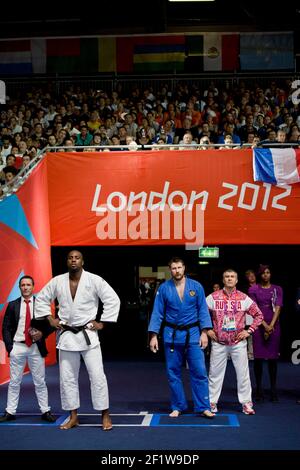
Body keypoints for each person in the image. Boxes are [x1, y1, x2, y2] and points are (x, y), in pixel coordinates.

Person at [34, 250, 120, 430]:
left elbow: (112, 299)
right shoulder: (58, 281)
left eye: (77, 258)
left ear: (83, 261)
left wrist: (103, 323)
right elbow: (41, 298)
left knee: (97, 376)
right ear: (67, 261)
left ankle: (105, 415)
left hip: (88, 335)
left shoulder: (94, 280)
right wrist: (50, 318)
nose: (74, 260)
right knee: (67, 378)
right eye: (70, 258)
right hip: (66, 336)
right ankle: (73, 416)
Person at [148, 257, 214, 418]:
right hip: (171, 334)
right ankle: (178, 406)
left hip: (193, 333)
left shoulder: (196, 287)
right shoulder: (164, 288)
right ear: (170, 270)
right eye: (173, 268)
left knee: (199, 371)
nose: (177, 271)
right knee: (173, 372)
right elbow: (157, 313)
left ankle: (203, 406)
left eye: (179, 267)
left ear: (184, 268)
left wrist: (204, 332)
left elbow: (203, 310)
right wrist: (153, 336)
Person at [206, 269, 263, 415]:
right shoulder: (213, 297)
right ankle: (212, 402)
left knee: (243, 374)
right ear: (223, 279)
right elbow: (200, 312)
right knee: (214, 374)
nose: (229, 279)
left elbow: (259, 315)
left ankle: (246, 403)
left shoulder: (244, 298)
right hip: (219, 342)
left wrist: (248, 331)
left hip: (238, 343)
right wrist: (207, 330)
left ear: (236, 280)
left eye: (232, 277)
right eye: (227, 276)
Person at [0, 275, 56, 423]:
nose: (25, 287)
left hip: (36, 348)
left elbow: (51, 325)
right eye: (23, 285)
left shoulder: (41, 304)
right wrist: (9, 347)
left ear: (33, 287)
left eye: (28, 285)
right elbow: (5, 327)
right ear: (20, 287)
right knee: (14, 382)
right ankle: (10, 412)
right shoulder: (12, 305)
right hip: (17, 346)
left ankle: (45, 411)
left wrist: (42, 333)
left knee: (40, 381)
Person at [248, 265, 283, 402]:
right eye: (263, 273)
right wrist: (264, 325)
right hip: (259, 324)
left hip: (274, 324)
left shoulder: (277, 289)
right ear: (259, 275)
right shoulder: (253, 289)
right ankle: (259, 389)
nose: (266, 275)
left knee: (273, 359)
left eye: (268, 273)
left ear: (270, 274)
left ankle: (273, 389)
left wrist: (271, 326)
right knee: (258, 359)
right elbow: (254, 309)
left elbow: (278, 307)